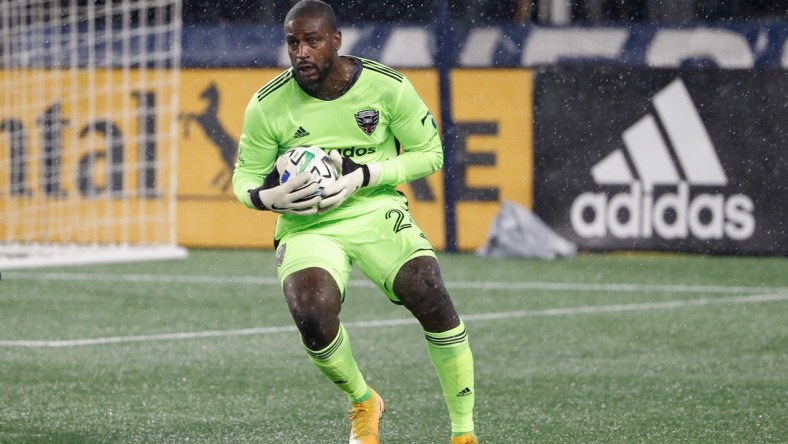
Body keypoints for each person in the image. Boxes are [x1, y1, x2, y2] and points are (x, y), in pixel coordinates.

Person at [231, 1, 478, 443]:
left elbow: (432, 155)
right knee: (311, 315)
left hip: (374, 208)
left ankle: (463, 432)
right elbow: (244, 178)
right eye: (293, 42)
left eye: (312, 41)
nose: (301, 52)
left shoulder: (387, 87)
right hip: (309, 225)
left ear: (336, 40)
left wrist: (364, 174)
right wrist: (268, 197)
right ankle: (364, 400)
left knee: (430, 294)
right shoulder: (267, 105)